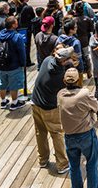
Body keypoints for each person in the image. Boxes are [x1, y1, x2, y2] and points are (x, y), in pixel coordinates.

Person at [58, 68, 98, 188]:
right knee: (91, 164)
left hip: (69, 137)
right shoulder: (84, 94)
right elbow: (96, 106)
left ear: (64, 81)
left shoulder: (60, 94)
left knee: (74, 166)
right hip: (85, 135)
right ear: (79, 79)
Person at [31, 45, 73, 174]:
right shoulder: (61, 76)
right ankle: (62, 164)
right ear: (64, 61)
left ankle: (43, 160)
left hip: (35, 102)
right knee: (57, 134)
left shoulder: (47, 60)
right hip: (49, 108)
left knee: (40, 132)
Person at [0, 16, 27, 111]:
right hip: (13, 65)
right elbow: (21, 52)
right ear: (13, 25)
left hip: (1, 64)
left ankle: (3, 101)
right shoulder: (17, 37)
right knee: (14, 85)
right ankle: (14, 103)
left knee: (2, 84)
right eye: (16, 22)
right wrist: (23, 63)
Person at [16, 0, 36, 67]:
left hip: (19, 28)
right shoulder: (28, 8)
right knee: (27, 46)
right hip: (27, 28)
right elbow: (33, 17)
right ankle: (27, 61)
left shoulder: (18, 6)